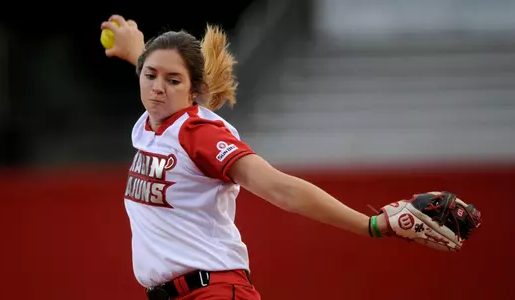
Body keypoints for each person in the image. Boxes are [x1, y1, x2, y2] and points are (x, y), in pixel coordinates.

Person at [100, 15, 392, 300]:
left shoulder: (197, 133)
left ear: (195, 91)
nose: (157, 86)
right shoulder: (153, 125)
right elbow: (158, 72)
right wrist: (135, 52)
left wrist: (369, 225)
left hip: (212, 290)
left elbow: (281, 188)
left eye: (174, 81)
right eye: (150, 75)